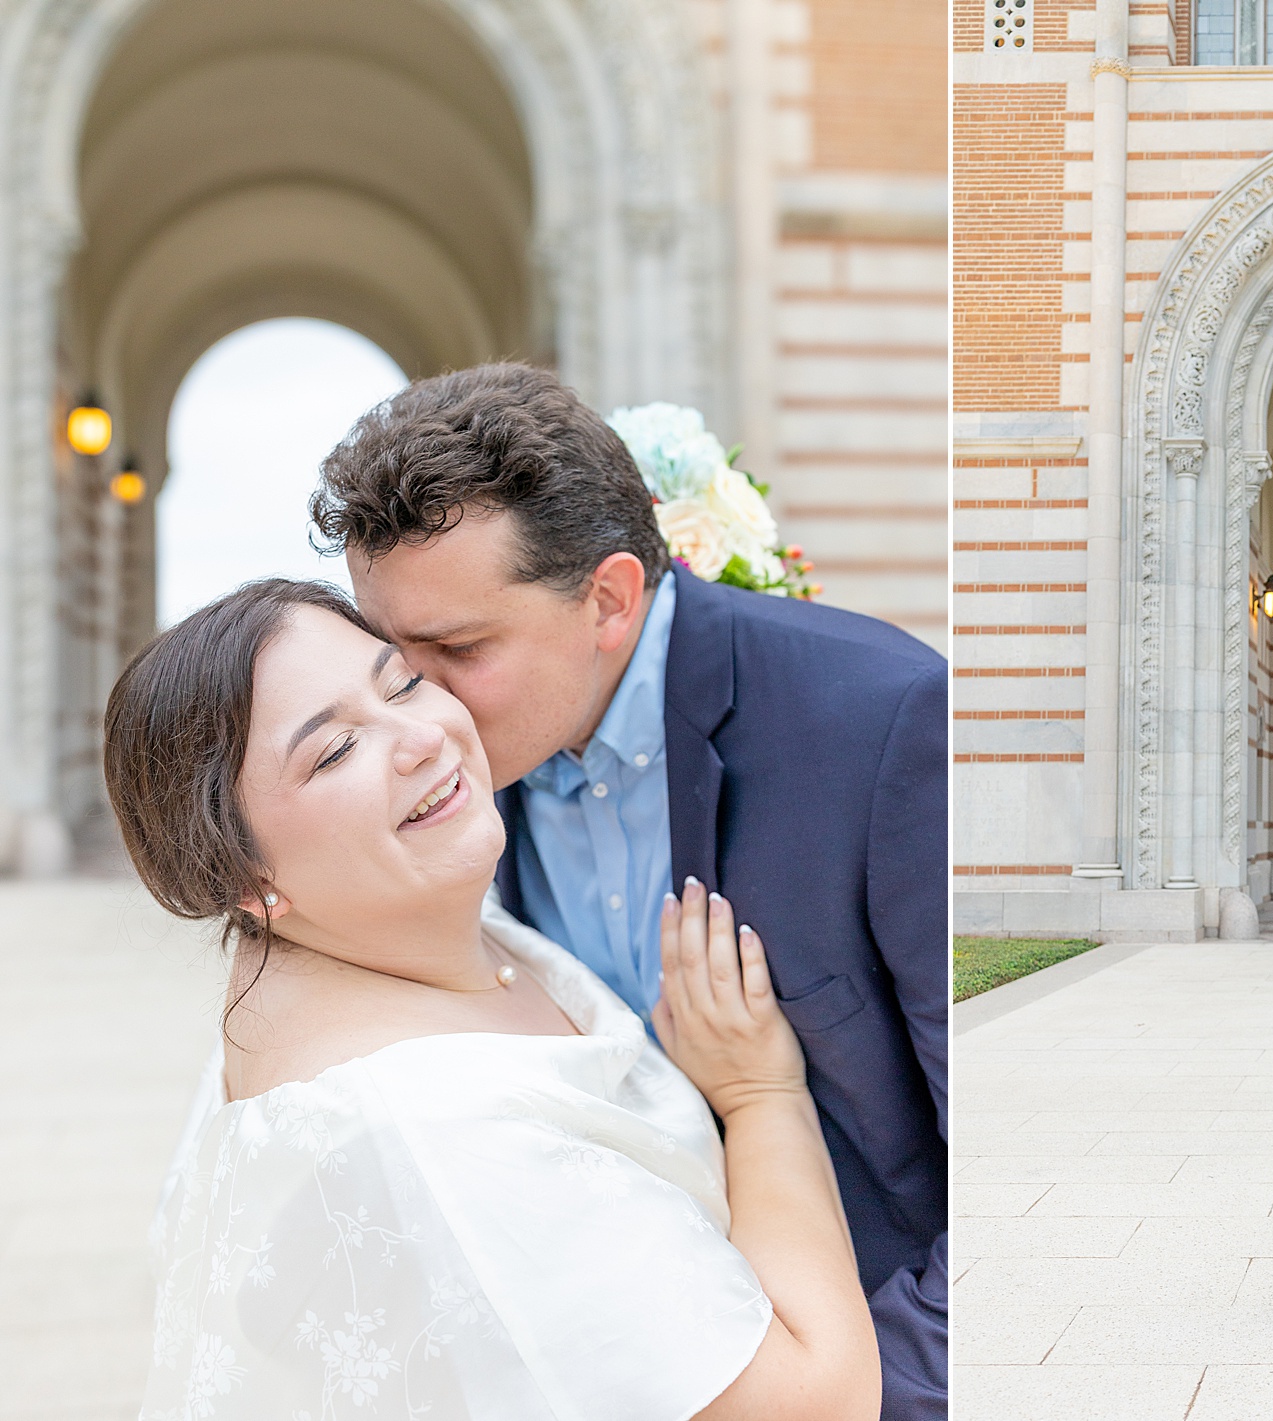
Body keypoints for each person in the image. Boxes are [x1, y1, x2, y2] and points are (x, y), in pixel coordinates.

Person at [309, 363, 946, 1417]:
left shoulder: (879, 721)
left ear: (608, 598)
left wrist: (850, 1396)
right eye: (392, 654)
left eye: (459, 650)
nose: (417, 713)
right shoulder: (431, 793)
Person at [105, 579, 879, 1418]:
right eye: (333, 751)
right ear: (247, 881)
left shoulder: (389, 938)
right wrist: (763, 1095)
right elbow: (817, 1400)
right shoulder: (439, 1134)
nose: (419, 736)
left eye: (400, 681)